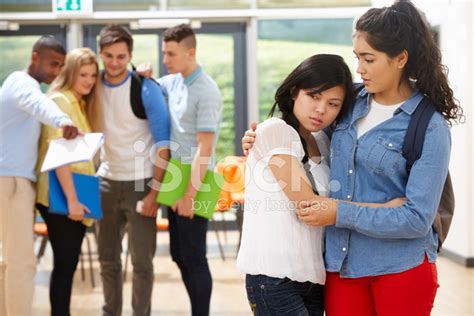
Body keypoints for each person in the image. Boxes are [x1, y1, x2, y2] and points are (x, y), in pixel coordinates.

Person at [243, 2, 463, 315]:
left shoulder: (430, 126)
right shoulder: (347, 103)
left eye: (368, 59)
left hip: (400, 267)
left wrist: (338, 212)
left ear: (401, 58)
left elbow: (416, 218)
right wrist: (259, 138)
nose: (359, 68)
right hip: (340, 268)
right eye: (357, 56)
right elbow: (304, 135)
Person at [237, 54, 406, 315]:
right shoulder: (274, 130)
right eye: (314, 97)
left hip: (313, 278)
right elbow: (308, 206)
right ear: (295, 92)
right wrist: (386, 208)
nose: (320, 110)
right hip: (273, 278)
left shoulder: (324, 142)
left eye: (333, 103)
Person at [0, 36, 79, 316]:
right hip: (11, 183)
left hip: (11, 181)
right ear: (35, 57)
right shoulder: (23, 84)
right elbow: (38, 104)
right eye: (52, 64)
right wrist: (63, 121)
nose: (56, 71)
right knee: (22, 263)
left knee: (9, 262)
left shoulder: (17, 84)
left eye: (60, 66)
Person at [96, 24, 170, 316]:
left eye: (121, 56)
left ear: (130, 56)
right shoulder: (92, 86)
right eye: (109, 55)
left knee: (141, 263)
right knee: (108, 261)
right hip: (106, 182)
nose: (114, 62)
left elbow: (164, 146)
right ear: (101, 54)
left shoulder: (145, 87)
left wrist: (154, 193)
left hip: (141, 183)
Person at [158, 24, 222, 316]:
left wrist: (189, 195)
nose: (166, 60)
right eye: (164, 53)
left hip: (198, 179)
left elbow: (204, 148)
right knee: (178, 254)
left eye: (171, 54)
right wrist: (144, 74)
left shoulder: (206, 90)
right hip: (175, 173)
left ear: (190, 52)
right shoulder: (173, 82)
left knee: (195, 257)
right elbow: (151, 86)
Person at [34, 47, 102, 316]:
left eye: (93, 75)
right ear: (70, 72)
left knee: (68, 265)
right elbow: (58, 154)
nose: (88, 80)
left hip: (75, 192)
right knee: (64, 266)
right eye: (83, 74)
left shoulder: (78, 102)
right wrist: (73, 200)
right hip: (61, 194)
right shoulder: (61, 101)